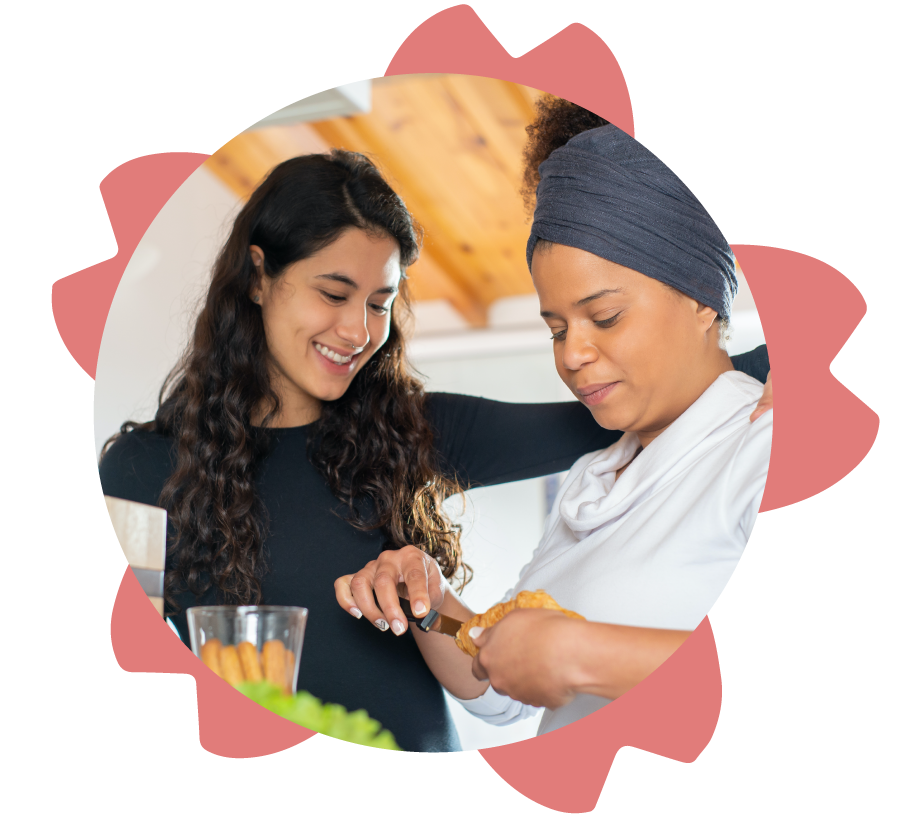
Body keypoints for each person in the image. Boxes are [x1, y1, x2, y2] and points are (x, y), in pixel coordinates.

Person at [99, 148, 770, 753]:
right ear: (256, 277)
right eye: (333, 293)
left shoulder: (416, 431)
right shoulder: (139, 473)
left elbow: (629, 397)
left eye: (379, 302)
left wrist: (782, 369)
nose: (357, 330)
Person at [334, 99, 773, 738]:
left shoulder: (759, 451)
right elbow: (500, 688)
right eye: (557, 328)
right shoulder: (593, 478)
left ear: (702, 299)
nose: (572, 354)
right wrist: (431, 602)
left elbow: (566, 658)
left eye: (606, 317)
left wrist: (580, 654)